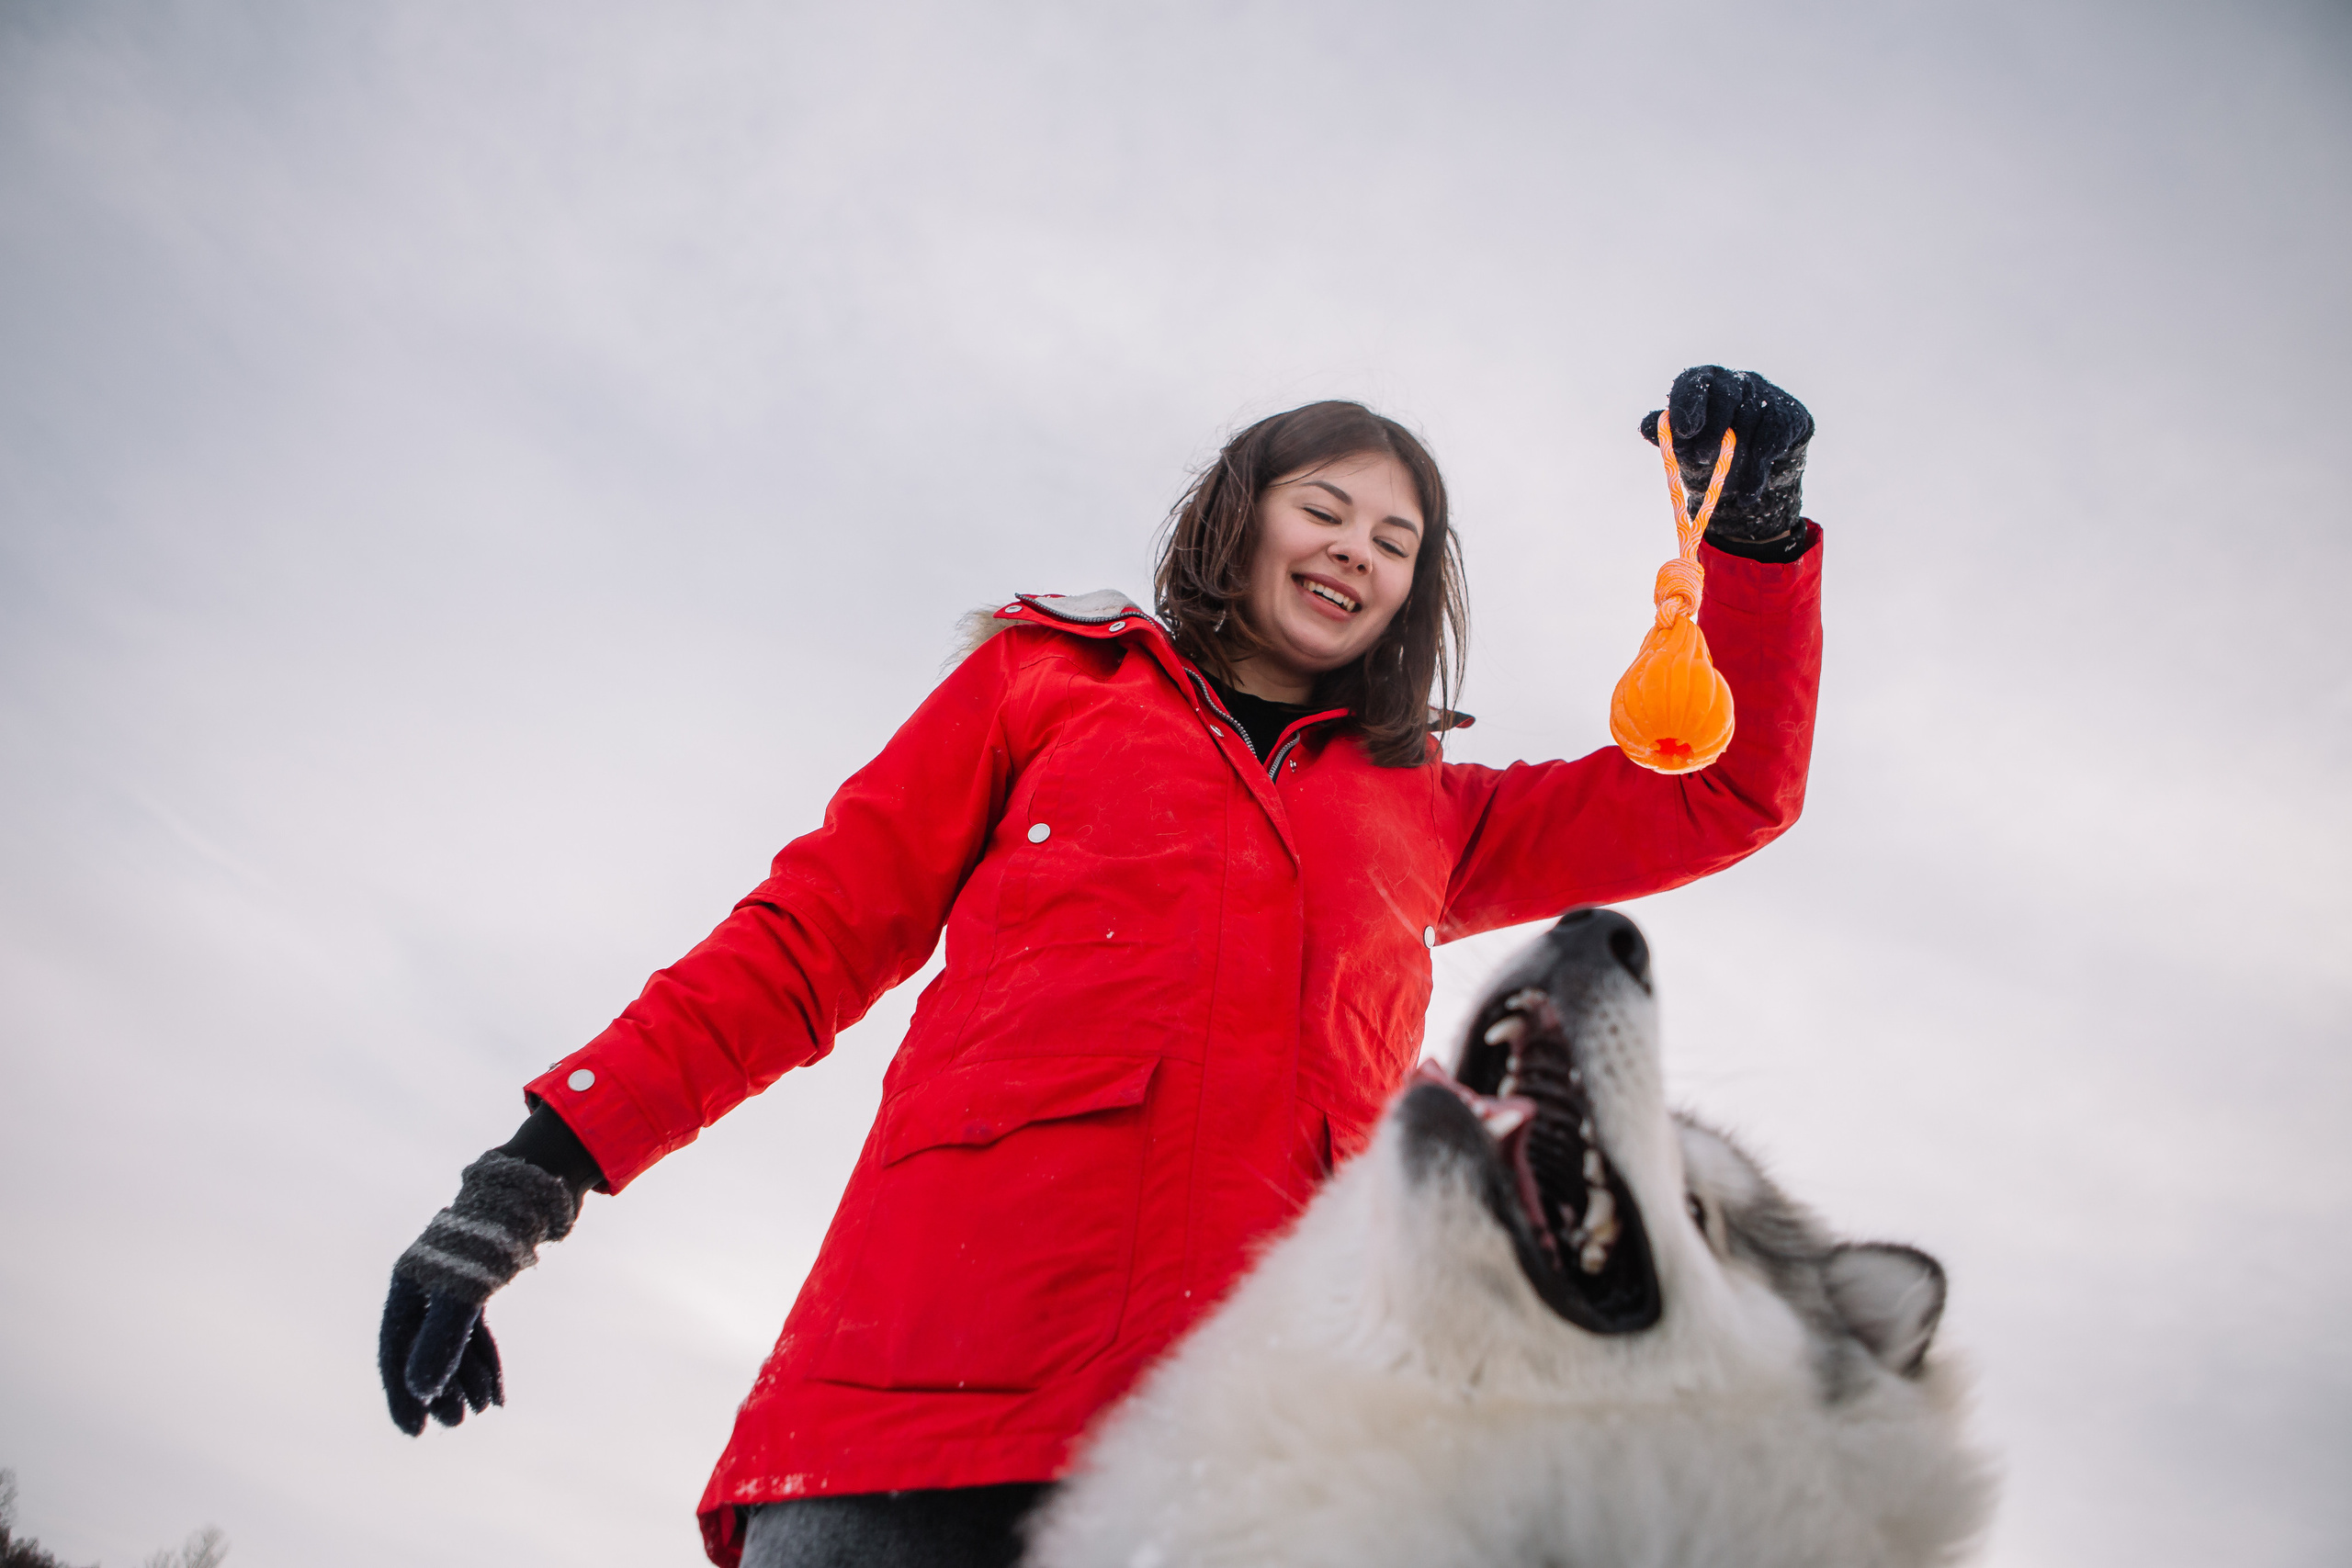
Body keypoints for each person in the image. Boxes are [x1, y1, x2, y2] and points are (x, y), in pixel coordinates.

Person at [378, 368, 1826, 1568]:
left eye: (1395, 545)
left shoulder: (1427, 813)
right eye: (1323, 509)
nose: (1354, 554)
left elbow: (1722, 794)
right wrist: (527, 1180)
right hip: (911, 1425)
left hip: (1251, 1463)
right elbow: (803, 942)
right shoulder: (1044, 689)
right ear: (1236, 521)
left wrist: (1751, 539)